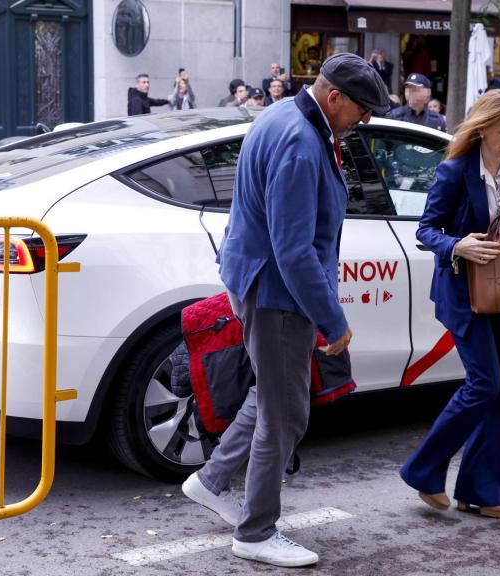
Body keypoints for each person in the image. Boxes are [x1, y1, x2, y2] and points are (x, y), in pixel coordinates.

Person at [181, 52, 389, 568]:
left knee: (272, 398)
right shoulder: (300, 140)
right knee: (284, 413)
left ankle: (210, 481)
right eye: (361, 110)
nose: (363, 121)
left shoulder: (282, 117)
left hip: (262, 286)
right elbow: (293, 249)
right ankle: (255, 532)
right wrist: (332, 320)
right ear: (334, 97)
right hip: (277, 295)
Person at [400, 89, 500, 520]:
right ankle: (424, 470)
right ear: (482, 129)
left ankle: (482, 491)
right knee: (485, 383)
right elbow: (426, 230)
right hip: (463, 291)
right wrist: (458, 245)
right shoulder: (453, 171)